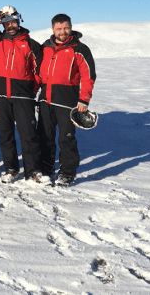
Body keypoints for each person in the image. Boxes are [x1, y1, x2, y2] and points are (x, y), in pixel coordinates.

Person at [0, 6, 43, 183]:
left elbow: (40, 70)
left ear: (19, 21)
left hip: (23, 94)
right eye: (6, 23)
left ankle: (32, 171)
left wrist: (32, 89)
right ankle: (11, 169)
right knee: (5, 133)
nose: (10, 25)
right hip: (0, 93)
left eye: (13, 22)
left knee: (28, 133)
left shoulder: (30, 44)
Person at [37, 14, 96, 186]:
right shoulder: (45, 47)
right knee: (45, 136)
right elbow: (37, 71)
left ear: (70, 27)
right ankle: (46, 169)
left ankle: (67, 172)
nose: (62, 32)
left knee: (66, 138)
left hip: (67, 101)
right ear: (53, 29)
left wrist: (84, 100)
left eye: (66, 28)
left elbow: (88, 76)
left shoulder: (80, 49)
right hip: (45, 100)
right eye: (59, 29)